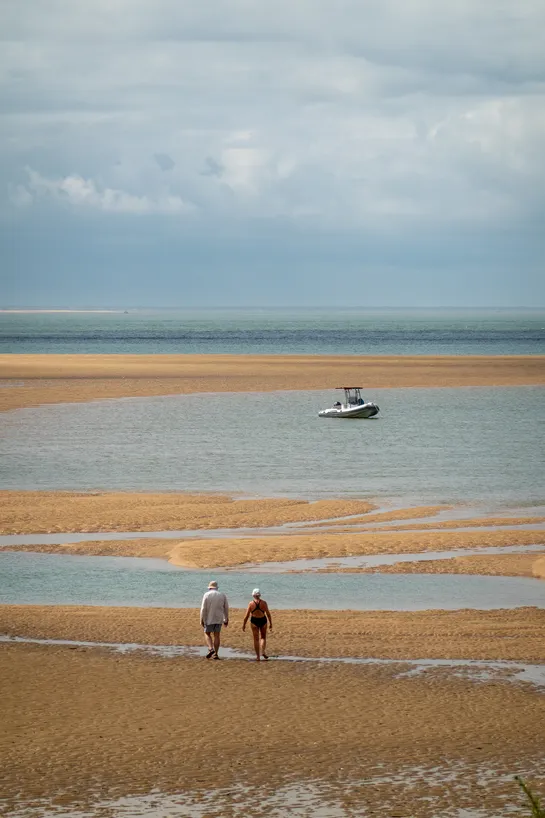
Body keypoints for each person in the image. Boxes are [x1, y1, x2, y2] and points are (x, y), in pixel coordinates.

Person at [200, 580, 229, 660]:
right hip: (218, 618)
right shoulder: (222, 595)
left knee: (207, 633)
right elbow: (226, 608)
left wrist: (201, 619)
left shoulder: (206, 595)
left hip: (209, 618)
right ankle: (216, 654)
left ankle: (210, 648)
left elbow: (203, 608)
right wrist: (226, 619)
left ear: (209, 588)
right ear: (217, 588)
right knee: (217, 635)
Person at [242, 588, 273, 661]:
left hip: (254, 621)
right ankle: (263, 651)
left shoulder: (251, 603)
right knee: (263, 637)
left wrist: (244, 625)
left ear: (253, 595)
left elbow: (246, 616)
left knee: (256, 639)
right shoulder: (264, 603)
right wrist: (271, 623)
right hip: (263, 620)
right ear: (259, 595)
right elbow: (268, 614)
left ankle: (258, 657)